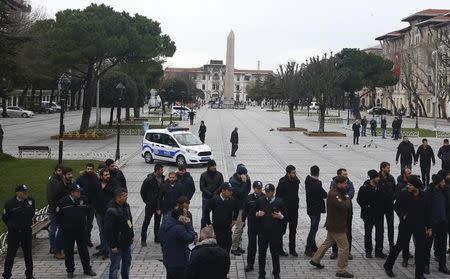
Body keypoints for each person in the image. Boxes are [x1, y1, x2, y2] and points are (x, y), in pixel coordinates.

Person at [384, 176, 431, 279]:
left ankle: (419, 274)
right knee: (399, 246)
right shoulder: (404, 194)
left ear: (417, 187)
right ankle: (388, 265)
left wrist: (429, 227)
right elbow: (396, 207)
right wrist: (403, 215)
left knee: (420, 249)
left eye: (410, 185)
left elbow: (428, 212)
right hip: (406, 225)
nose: (408, 186)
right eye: (408, 184)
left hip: (419, 226)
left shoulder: (424, 196)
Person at [310, 175, 354, 278]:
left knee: (327, 242)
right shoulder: (334, 194)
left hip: (334, 225)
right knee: (344, 247)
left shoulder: (337, 192)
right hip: (337, 226)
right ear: (339, 183)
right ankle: (341, 270)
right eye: (344, 183)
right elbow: (344, 206)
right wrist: (347, 198)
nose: (346, 185)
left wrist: (345, 196)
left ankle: (315, 260)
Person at [56, 185, 96, 278]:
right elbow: (58, 216)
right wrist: (63, 227)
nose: (79, 193)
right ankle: (70, 270)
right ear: (72, 193)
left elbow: (89, 209)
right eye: (77, 191)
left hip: (81, 230)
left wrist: (87, 223)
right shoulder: (63, 202)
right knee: (68, 251)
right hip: (68, 231)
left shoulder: (83, 199)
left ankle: (87, 269)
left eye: (79, 191)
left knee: (84, 251)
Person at [2, 185, 35, 279]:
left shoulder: (30, 201)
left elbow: (32, 213)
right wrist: (12, 225)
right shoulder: (10, 203)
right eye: (23, 191)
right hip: (14, 233)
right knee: (10, 255)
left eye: (26, 191)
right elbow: (5, 217)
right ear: (17, 193)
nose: (25, 193)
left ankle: (29, 275)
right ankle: (6, 275)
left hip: (26, 231)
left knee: (28, 254)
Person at [255, 184, 286, 279]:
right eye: (266, 191)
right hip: (262, 233)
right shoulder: (260, 200)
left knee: (275, 254)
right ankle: (261, 274)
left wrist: (280, 216)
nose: (267, 193)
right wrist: (257, 214)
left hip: (274, 234)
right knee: (261, 255)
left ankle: (276, 273)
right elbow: (254, 213)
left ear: (273, 192)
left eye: (269, 192)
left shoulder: (280, 202)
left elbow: (286, 217)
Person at [104, 188, 134, 279]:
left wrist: (131, 235)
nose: (127, 197)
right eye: (124, 196)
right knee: (115, 267)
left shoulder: (126, 206)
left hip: (126, 242)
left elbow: (130, 221)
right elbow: (108, 230)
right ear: (118, 197)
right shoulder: (111, 210)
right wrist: (113, 245)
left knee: (127, 263)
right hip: (117, 244)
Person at [161, 205, 196, 279]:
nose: (187, 216)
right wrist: (188, 224)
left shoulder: (166, 222)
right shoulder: (179, 228)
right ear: (181, 217)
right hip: (178, 263)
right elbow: (190, 238)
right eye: (185, 214)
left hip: (169, 261)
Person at [424, 174, 450, 275]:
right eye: (442, 182)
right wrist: (427, 226)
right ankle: (425, 265)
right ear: (437, 183)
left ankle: (442, 266)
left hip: (443, 223)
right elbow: (425, 210)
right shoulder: (428, 193)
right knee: (428, 246)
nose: (444, 183)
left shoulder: (445, 191)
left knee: (443, 245)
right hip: (432, 224)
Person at [357, 170, 385, 259]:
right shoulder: (364, 187)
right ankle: (368, 251)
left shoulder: (380, 186)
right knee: (368, 233)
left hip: (379, 214)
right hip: (368, 215)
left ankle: (379, 251)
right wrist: (366, 207)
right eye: (377, 177)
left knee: (380, 233)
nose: (379, 178)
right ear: (373, 178)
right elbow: (359, 200)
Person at [204, 182, 238, 253]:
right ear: (223, 191)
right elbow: (206, 211)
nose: (231, 192)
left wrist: (234, 219)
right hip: (217, 229)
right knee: (217, 249)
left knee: (227, 247)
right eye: (229, 190)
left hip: (227, 229)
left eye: (231, 190)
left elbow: (236, 209)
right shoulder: (214, 200)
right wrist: (209, 223)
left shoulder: (232, 200)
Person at [48, 166, 73, 259]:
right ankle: (57, 251)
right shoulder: (60, 186)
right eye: (68, 174)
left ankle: (65, 248)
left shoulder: (69, 184)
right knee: (61, 231)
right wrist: (57, 210)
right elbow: (55, 199)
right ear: (63, 175)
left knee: (66, 232)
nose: (70, 176)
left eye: (71, 174)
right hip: (60, 212)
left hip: (67, 211)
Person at [93, 168, 119, 259]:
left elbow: (116, 192)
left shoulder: (113, 182)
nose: (108, 176)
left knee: (108, 231)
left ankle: (108, 250)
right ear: (101, 176)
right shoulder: (97, 184)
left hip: (109, 212)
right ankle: (103, 249)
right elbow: (94, 196)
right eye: (105, 175)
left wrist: (106, 187)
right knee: (102, 231)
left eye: (108, 174)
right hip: (99, 212)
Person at [330, 168, 355, 260]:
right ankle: (335, 251)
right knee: (336, 232)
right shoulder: (334, 183)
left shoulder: (349, 182)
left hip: (348, 211)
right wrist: (345, 196)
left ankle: (348, 252)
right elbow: (334, 194)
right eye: (344, 174)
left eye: (346, 174)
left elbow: (352, 192)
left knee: (348, 231)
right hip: (337, 212)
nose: (346, 176)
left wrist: (345, 196)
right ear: (339, 175)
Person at [276, 165, 300, 257]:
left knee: (293, 231)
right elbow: (278, 196)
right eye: (293, 173)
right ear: (288, 173)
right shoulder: (282, 182)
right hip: (284, 211)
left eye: (295, 172)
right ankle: (279, 249)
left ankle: (292, 249)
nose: (295, 174)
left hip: (294, 210)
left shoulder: (296, 181)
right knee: (281, 231)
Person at [304, 165, 327, 257]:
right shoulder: (316, 183)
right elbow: (324, 194)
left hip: (310, 208)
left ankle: (313, 247)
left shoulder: (308, 180)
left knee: (313, 228)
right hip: (315, 209)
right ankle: (308, 248)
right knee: (313, 229)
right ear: (318, 172)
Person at [140, 164, 164, 246]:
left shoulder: (163, 178)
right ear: (156, 170)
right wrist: (147, 201)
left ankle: (157, 237)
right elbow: (142, 191)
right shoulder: (149, 179)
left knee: (157, 222)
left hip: (159, 205)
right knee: (146, 222)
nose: (162, 171)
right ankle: (143, 239)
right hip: (150, 205)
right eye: (161, 170)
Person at [243, 181, 264, 272]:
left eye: (260, 188)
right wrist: (243, 221)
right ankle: (250, 264)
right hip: (252, 225)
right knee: (251, 245)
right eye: (257, 188)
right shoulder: (248, 198)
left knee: (262, 245)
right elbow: (245, 211)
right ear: (254, 188)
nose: (259, 190)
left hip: (262, 225)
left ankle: (261, 263)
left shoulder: (265, 197)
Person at [230, 164, 251, 256]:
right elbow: (241, 193)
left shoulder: (242, 180)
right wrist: (244, 182)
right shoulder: (233, 182)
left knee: (242, 226)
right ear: (239, 174)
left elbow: (247, 191)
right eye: (244, 174)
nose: (245, 176)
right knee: (238, 228)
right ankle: (234, 248)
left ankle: (237, 245)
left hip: (243, 206)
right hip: (237, 208)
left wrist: (248, 181)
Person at [75, 163, 98, 247]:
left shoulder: (95, 177)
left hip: (92, 204)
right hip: (83, 204)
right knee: (82, 222)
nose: (89, 170)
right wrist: (82, 192)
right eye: (88, 169)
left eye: (91, 169)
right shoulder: (81, 178)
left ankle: (88, 238)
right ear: (85, 169)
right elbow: (76, 187)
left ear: (93, 169)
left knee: (89, 223)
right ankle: (82, 239)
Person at [46, 165, 65, 257]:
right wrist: (54, 207)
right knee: (53, 228)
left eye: (61, 171)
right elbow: (51, 196)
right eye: (59, 171)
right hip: (54, 208)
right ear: (55, 171)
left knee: (62, 228)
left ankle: (62, 246)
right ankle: (53, 246)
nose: (60, 172)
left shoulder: (62, 180)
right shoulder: (53, 181)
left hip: (61, 208)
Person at [199, 160, 224, 228]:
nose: (214, 167)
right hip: (206, 198)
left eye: (214, 165)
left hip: (216, 198)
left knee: (216, 215)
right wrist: (209, 194)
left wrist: (215, 193)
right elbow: (202, 187)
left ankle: (215, 231)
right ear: (209, 167)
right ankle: (202, 230)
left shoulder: (219, 175)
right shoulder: (203, 175)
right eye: (212, 166)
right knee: (204, 215)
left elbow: (221, 186)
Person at [379, 162, 396, 250]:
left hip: (389, 205)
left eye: (389, 168)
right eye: (387, 168)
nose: (389, 169)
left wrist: (392, 198)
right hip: (380, 206)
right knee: (380, 227)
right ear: (382, 168)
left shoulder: (391, 178)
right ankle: (380, 246)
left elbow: (395, 190)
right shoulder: (378, 178)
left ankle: (391, 243)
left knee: (391, 226)